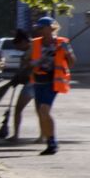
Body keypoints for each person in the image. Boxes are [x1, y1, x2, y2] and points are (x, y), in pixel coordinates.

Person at [28, 16, 75, 156]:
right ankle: (49, 141)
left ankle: (52, 142)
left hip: (52, 82)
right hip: (38, 82)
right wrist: (33, 63)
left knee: (44, 110)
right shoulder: (35, 43)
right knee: (41, 114)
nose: (40, 30)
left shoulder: (62, 43)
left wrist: (67, 51)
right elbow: (27, 61)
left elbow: (71, 63)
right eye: (39, 28)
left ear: (50, 28)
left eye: (42, 28)